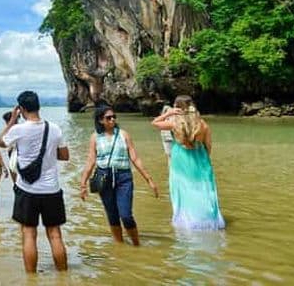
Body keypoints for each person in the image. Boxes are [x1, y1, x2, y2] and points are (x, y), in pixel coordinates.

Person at [0, 91, 68, 274]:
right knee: (55, 234)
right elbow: (64, 155)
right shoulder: (54, 128)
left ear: (21, 109)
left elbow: (1, 142)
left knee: (29, 234)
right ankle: (63, 277)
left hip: (27, 190)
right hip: (52, 189)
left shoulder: (18, 129)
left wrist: (13, 120)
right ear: (39, 106)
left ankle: (31, 279)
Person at [79, 106, 159, 246]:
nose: (113, 119)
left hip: (124, 178)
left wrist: (149, 180)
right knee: (112, 215)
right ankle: (119, 246)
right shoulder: (95, 137)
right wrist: (83, 183)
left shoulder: (123, 134)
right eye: (108, 118)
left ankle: (136, 245)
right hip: (104, 177)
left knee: (126, 215)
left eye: (114, 116)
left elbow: (135, 158)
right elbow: (91, 160)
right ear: (100, 120)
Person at [152, 95, 225, 230]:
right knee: (203, 189)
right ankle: (207, 220)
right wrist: (203, 160)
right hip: (200, 157)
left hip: (181, 158)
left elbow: (155, 123)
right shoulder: (202, 124)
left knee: (183, 188)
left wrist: (168, 113)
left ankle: (186, 221)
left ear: (177, 108)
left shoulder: (175, 124)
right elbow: (208, 146)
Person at [2, 111, 18, 184]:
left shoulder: (11, 131)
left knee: (16, 184)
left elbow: (1, 142)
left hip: (14, 159)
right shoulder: (18, 129)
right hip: (15, 159)